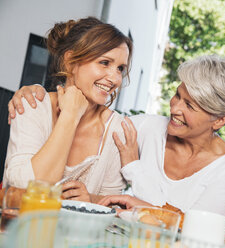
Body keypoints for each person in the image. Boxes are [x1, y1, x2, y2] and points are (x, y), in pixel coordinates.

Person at [7, 55, 225, 218]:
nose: (175, 108)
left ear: (222, 119)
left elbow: (194, 230)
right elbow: (94, 123)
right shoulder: (149, 127)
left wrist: (133, 167)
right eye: (178, 95)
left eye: (190, 106)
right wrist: (38, 97)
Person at [3, 17, 133, 203]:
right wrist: (71, 115)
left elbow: (111, 204)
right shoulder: (32, 105)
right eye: (105, 63)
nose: (115, 79)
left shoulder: (117, 130)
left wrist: (89, 198)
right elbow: (23, 193)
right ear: (70, 60)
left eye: (120, 68)